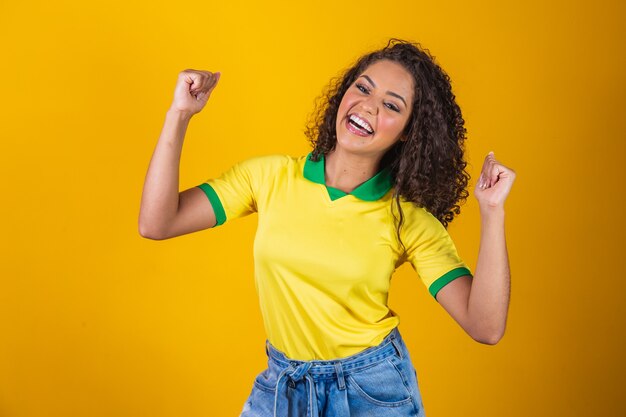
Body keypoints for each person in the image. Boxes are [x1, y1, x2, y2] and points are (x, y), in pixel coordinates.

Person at [139, 39, 515, 417]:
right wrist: (180, 113)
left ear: (407, 132)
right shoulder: (269, 177)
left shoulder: (408, 219)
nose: (368, 105)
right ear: (344, 93)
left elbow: (484, 326)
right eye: (363, 88)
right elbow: (158, 222)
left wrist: (492, 211)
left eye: (391, 105)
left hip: (371, 389)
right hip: (283, 383)